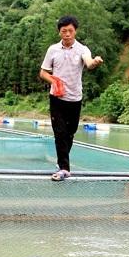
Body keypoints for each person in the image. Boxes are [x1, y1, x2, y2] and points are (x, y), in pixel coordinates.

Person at [40, 15, 103, 181]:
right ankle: (64, 168)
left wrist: (95, 62)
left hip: (75, 98)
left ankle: (62, 161)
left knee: (69, 134)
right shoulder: (52, 50)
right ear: (59, 32)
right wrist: (54, 81)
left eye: (70, 31)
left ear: (75, 31)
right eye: (63, 31)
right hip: (57, 98)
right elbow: (43, 72)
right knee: (59, 133)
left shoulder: (82, 49)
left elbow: (88, 63)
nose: (67, 34)